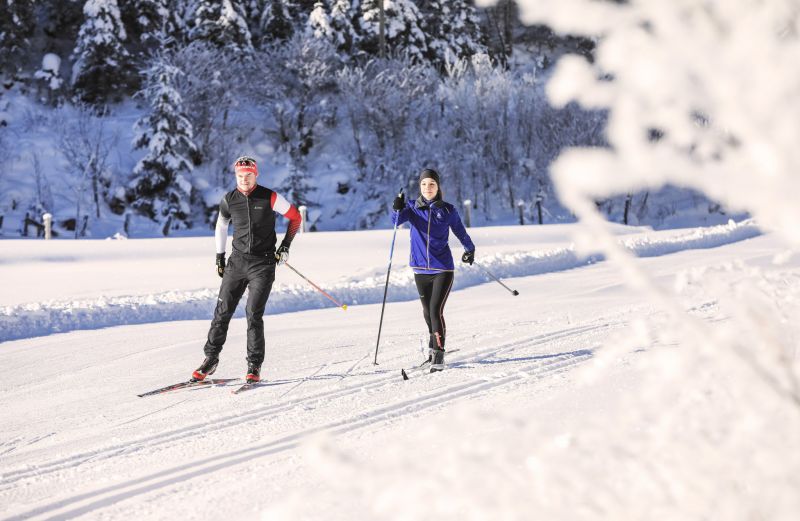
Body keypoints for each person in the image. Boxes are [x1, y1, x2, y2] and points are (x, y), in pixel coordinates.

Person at [192, 156, 302, 383]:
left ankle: (254, 366)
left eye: (249, 175)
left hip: (262, 264)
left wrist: (285, 246)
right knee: (222, 312)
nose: (244, 180)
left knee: (253, 314)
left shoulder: (270, 197)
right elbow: (221, 226)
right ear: (236, 176)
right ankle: (210, 359)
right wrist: (220, 257)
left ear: (256, 174)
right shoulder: (229, 200)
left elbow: (295, 217)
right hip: (237, 262)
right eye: (240, 176)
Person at [392, 168, 475, 372]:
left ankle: (439, 354)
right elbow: (396, 222)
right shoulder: (412, 207)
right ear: (419, 187)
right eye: (424, 184)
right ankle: (432, 348)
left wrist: (470, 249)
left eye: (431, 184)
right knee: (427, 312)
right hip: (420, 269)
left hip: (442, 269)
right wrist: (397, 207)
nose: (427, 188)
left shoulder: (447, 210)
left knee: (436, 310)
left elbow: (460, 231)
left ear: (438, 187)